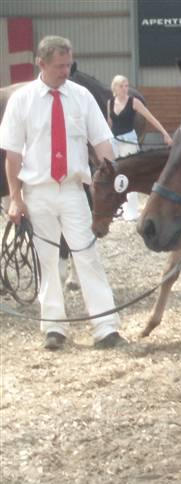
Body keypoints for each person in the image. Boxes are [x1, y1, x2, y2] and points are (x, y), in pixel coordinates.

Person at [0, 35, 125, 350]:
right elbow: (12, 156)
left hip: (72, 190)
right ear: (41, 63)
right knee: (47, 260)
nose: (66, 71)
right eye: (59, 66)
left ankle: (106, 327)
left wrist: (112, 173)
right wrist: (15, 198)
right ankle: (53, 327)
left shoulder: (81, 97)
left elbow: (101, 141)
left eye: (68, 65)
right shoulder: (22, 100)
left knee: (87, 255)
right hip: (37, 191)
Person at [108, 74, 173, 221]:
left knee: (129, 175)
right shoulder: (110, 103)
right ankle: (121, 209)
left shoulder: (133, 102)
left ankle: (131, 212)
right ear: (115, 88)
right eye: (122, 86)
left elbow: (151, 117)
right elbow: (109, 123)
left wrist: (165, 134)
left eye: (126, 86)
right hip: (114, 142)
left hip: (129, 141)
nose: (125, 89)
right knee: (116, 175)